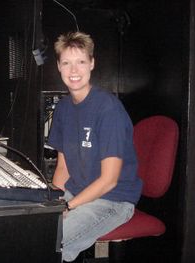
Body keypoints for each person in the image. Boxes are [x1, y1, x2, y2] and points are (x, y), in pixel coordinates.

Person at [47, 31, 143, 262]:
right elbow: (63, 168)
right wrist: (51, 203)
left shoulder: (108, 109)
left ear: (92, 64)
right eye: (67, 63)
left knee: (46, 242)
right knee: (31, 227)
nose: (73, 71)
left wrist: (69, 206)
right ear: (58, 66)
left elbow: (109, 181)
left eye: (81, 62)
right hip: (77, 193)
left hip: (113, 200)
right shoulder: (62, 109)